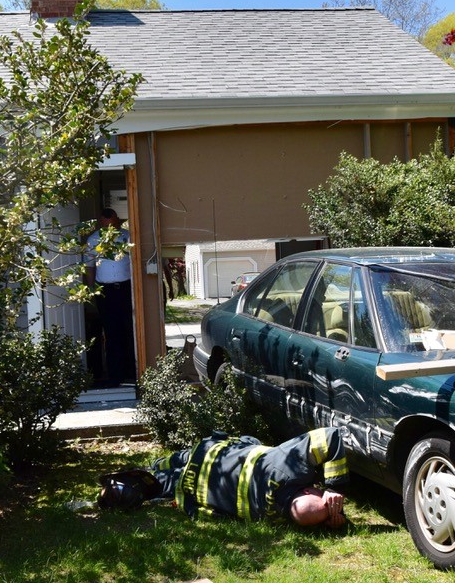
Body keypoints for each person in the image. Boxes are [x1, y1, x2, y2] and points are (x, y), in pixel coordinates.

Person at [98, 427, 350, 527]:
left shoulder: (283, 463)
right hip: (193, 487)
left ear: (308, 489)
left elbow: (330, 436)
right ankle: (131, 487)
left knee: (171, 465)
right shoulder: (271, 518)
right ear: (308, 489)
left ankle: (137, 481)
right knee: (166, 478)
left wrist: (334, 488)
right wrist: (332, 519)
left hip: (208, 456)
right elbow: (212, 515)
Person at [85, 208, 136, 386]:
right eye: (106, 225)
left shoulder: (128, 237)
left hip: (126, 289)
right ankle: (116, 376)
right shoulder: (93, 240)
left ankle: (133, 372)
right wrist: (92, 290)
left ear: (118, 221)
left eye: (113, 224)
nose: (110, 228)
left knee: (130, 329)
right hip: (105, 291)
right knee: (112, 332)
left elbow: (136, 262)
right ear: (101, 223)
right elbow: (90, 266)